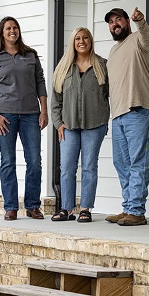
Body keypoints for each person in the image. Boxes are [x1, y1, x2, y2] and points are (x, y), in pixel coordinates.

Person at [0, 16, 49, 221]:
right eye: (8, 28)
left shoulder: (31, 55)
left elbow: (40, 83)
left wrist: (43, 111)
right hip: (5, 116)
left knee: (34, 160)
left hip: (30, 115)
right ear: (2, 33)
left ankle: (33, 206)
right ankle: (11, 207)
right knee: (8, 161)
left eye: (15, 27)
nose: (12, 31)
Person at [104, 7, 149, 226]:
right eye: (111, 22)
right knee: (121, 164)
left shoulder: (139, 40)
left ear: (127, 21)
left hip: (139, 109)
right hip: (118, 114)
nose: (115, 24)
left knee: (138, 163)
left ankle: (137, 211)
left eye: (119, 20)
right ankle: (128, 208)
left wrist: (141, 21)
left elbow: (146, 34)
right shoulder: (113, 51)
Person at [50, 28, 110, 223]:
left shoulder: (102, 65)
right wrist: (58, 123)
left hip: (95, 125)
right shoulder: (63, 68)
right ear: (72, 42)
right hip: (68, 126)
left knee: (89, 167)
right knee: (67, 167)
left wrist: (106, 121)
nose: (82, 41)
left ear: (91, 41)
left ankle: (85, 208)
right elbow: (55, 100)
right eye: (78, 38)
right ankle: (66, 208)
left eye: (85, 38)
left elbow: (111, 96)